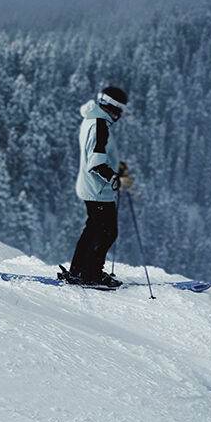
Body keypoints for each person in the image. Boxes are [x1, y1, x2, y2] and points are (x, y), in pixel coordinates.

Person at [61, 86, 135, 287]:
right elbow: (96, 164)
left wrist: (118, 168)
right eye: (120, 109)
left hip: (92, 187)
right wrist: (116, 180)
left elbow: (97, 156)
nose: (120, 115)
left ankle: (78, 270)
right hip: (98, 190)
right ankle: (90, 274)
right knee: (107, 232)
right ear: (113, 107)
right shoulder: (100, 126)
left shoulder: (92, 120)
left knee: (93, 229)